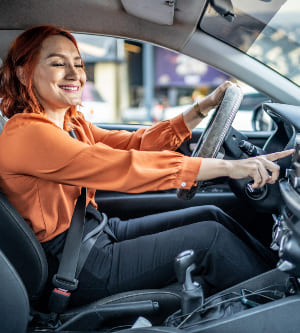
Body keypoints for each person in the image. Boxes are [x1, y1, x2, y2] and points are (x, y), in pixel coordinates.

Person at [0, 25, 294, 307]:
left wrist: (201, 109)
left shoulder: (71, 123)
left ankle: (279, 278)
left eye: (78, 64)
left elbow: (135, 144)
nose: (74, 73)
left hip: (94, 233)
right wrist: (229, 168)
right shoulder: (28, 134)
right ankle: (282, 306)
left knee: (211, 215)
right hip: (75, 265)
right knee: (211, 238)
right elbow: (124, 165)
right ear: (25, 72)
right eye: (57, 63)